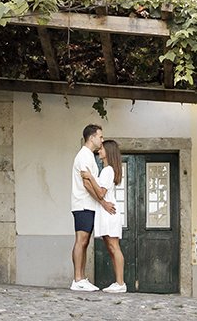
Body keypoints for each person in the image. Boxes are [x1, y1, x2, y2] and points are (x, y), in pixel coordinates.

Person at [70, 123, 115, 292]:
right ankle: (78, 279)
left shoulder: (88, 156)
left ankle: (80, 278)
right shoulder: (84, 156)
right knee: (81, 241)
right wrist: (103, 202)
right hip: (83, 204)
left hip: (87, 205)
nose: (102, 140)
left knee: (84, 241)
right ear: (92, 137)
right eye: (100, 137)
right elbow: (87, 184)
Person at [93, 139, 126, 293]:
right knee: (111, 247)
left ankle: (120, 283)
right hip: (106, 211)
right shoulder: (108, 170)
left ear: (108, 152)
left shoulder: (107, 171)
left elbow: (101, 192)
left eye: (101, 149)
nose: (99, 151)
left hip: (108, 212)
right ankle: (118, 282)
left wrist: (89, 177)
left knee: (114, 246)